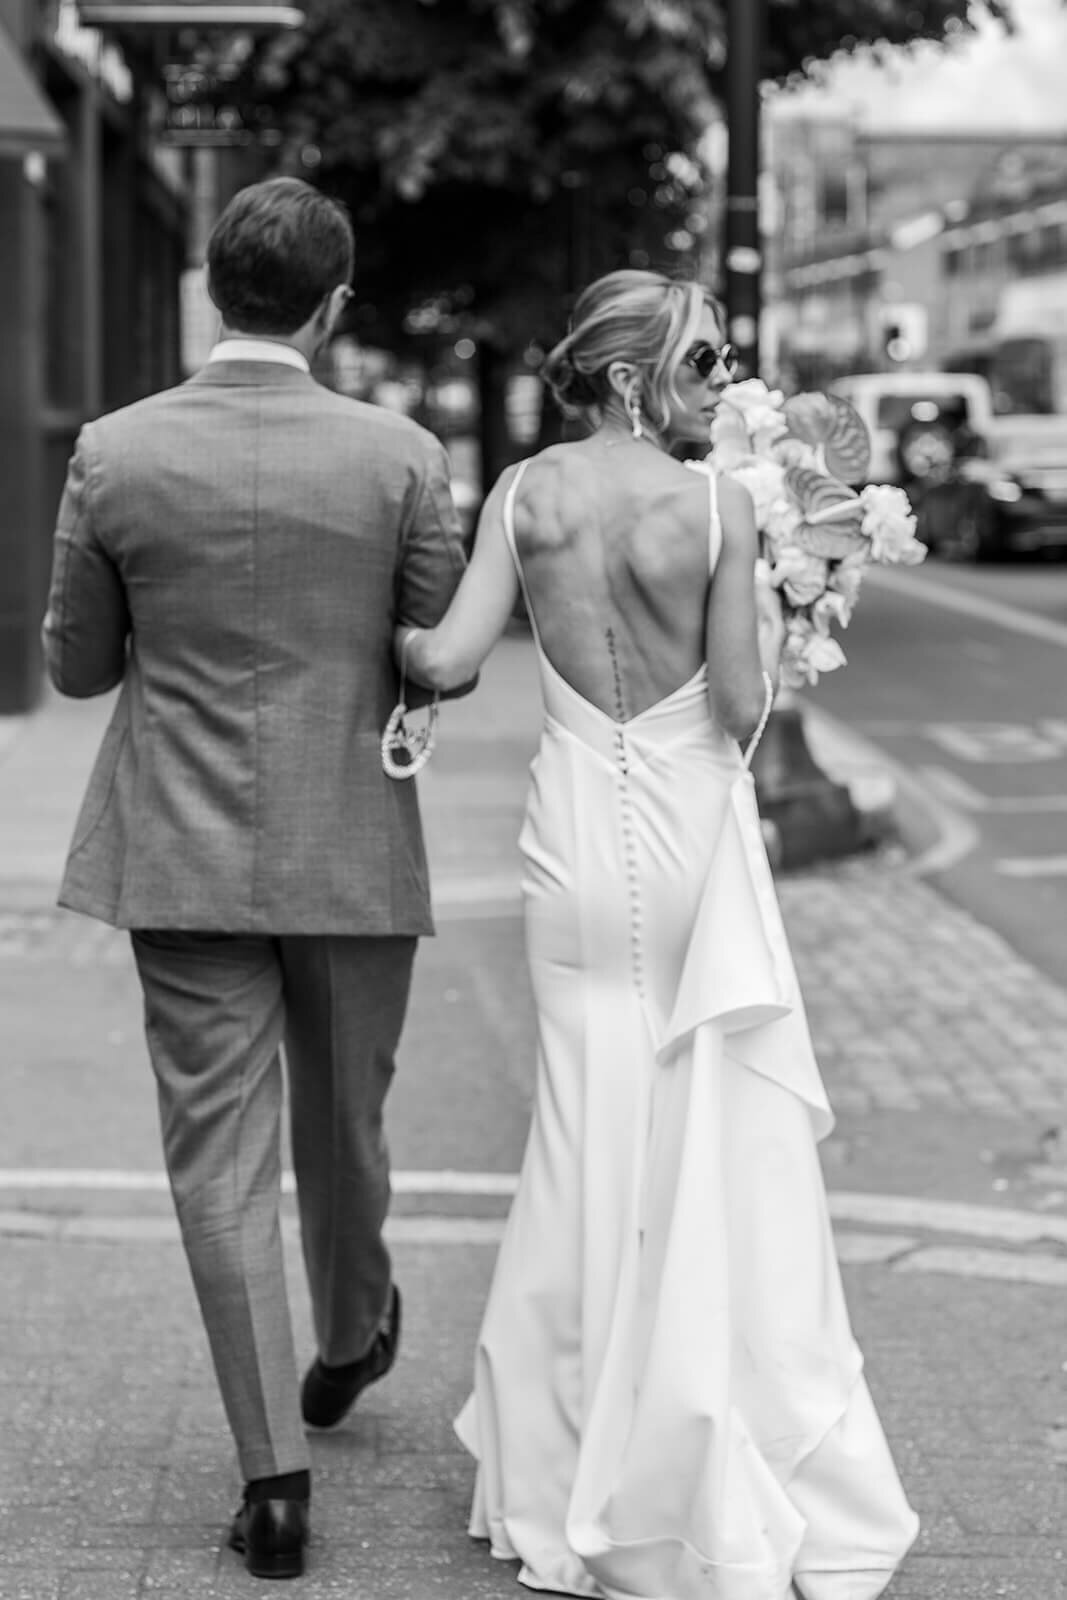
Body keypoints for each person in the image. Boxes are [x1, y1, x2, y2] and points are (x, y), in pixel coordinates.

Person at [398, 269, 919, 1600]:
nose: (715, 384)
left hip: (571, 838)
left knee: (579, 1129)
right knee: (698, 1131)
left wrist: (369, 630)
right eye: (697, 363)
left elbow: (449, 658)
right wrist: (784, 623)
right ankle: (688, 1435)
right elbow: (740, 704)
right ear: (632, 374)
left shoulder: (524, 495)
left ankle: (558, 1460)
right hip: (688, 841)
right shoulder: (717, 507)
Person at [41, 177, 471, 1580]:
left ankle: (272, 1488)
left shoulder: (114, 452)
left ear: (213, 293)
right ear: (335, 304)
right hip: (353, 843)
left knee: (218, 1164)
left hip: (180, 847)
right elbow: (434, 652)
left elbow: (78, 665)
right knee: (345, 1122)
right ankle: (350, 1336)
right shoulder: (401, 455)